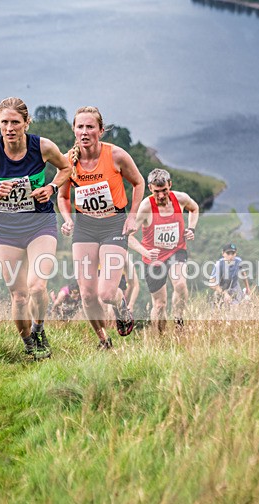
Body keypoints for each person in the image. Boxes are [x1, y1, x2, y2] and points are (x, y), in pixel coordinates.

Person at [0, 97, 71, 359]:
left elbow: (66, 167)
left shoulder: (42, 147)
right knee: (19, 297)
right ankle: (27, 344)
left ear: (26, 123)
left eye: (15, 122)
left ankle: (39, 329)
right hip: (7, 231)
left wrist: (51, 188)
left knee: (37, 287)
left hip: (40, 225)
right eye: (4, 122)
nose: (9, 128)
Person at [58, 106, 145, 350]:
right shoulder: (68, 162)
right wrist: (67, 219)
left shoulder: (116, 155)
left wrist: (132, 218)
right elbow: (63, 197)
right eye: (80, 127)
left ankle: (121, 306)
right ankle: (103, 340)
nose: (84, 132)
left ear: (101, 130)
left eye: (90, 127)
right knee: (87, 294)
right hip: (85, 226)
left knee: (106, 293)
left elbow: (139, 183)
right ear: (74, 130)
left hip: (114, 224)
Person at [128, 168, 199, 332]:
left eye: (164, 190)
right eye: (157, 192)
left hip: (176, 251)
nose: (161, 196)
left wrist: (191, 228)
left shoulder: (180, 199)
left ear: (170, 186)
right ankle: (160, 339)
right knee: (159, 305)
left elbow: (194, 208)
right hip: (153, 259)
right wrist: (144, 252)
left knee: (180, 285)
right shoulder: (146, 207)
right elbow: (129, 237)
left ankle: (179, 323)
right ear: (150, 188)